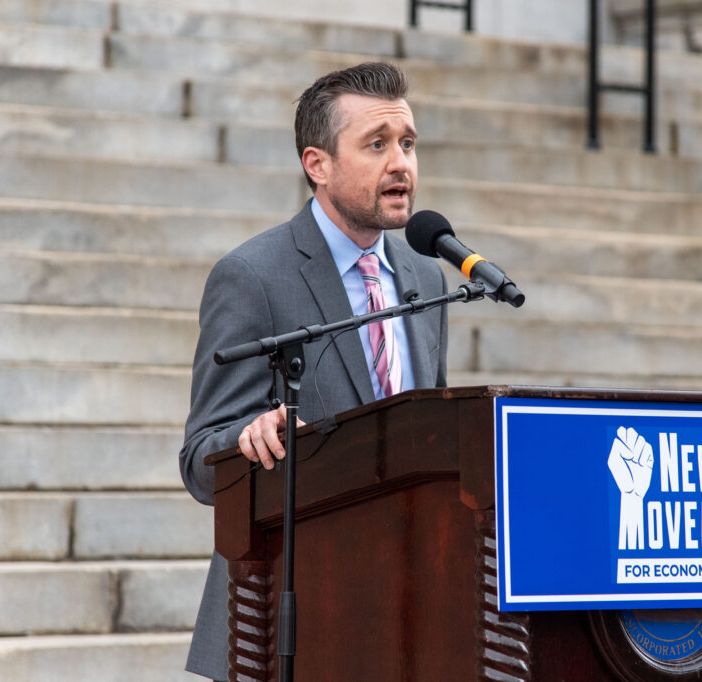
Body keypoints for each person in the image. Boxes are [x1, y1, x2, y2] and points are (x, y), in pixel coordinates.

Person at [179, 62, 449, 681]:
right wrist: (249, 440)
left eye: (408, 144)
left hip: (405, 618)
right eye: (376, 145)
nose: (401, 164)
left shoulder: (426, 277)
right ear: (317, 164)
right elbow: (200, 461)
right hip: (287, 622)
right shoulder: (252, 277)